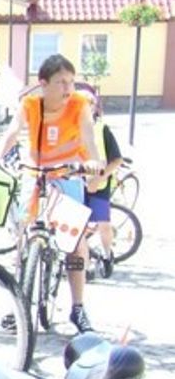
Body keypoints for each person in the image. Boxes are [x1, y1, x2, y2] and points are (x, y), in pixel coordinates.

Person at [0, 54, 103, 332]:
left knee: (75, 243)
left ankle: (78, 308)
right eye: (61, 82)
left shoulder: (80, 104)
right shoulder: (30, 104)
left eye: (71, 82)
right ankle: (16, 306)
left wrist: (93, 164)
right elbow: (12, 133)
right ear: (43, 83)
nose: (68, 88)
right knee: (22, 238)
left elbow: (88, 137)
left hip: (67, 174)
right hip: (35, 173)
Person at [75, 83, 120, 279]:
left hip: (99, 185)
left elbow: (116, 159)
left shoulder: (102, 129)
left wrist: (99, 178)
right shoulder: (71, 128)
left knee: (103, 225)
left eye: (90, 103)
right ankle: (84, 268)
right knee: (79, 228)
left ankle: (107, 254)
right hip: (77, 184)